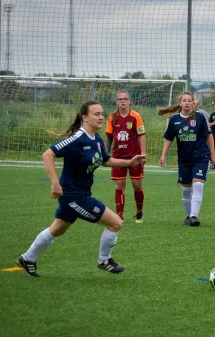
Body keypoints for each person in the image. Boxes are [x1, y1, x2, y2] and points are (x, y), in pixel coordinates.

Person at [16, 101, 147, 277]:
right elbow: (48, 154)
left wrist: (129, 162)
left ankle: (27, 258)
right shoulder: (77, 139)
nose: (101, 117)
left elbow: (106, 160)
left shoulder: (97, 140)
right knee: (115, 222)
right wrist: (55, 182)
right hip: (73, 196)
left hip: (81, 193)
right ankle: (104, 260)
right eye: (96, 114)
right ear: (85, 118)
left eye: (102, 113)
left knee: (58, 228)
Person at [158, 92, 215, 226]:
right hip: (184, 160)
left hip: (201, 157)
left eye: (189, 100)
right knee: (186, 190)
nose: (186, 103)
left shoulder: (201, 117)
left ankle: (194, 216)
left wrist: (213, 155)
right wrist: (163, 155)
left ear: (193, 103)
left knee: (197, 184)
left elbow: (209, 136)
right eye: (184, 100)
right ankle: (188, 216)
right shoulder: (174, 120)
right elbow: (168, 138)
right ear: (180, 103)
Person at [105, 90, 147, 223]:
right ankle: (119, 214)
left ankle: (139, 212)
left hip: (134, 157)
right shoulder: (112, 117)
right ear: (116, 101)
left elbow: (142, 135)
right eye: (120, 99)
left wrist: (143, 154)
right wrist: (106, 155)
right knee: (120, 185)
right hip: (118, 158)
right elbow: (109, 137)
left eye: (125, 99)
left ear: (129, 101)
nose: (123, 101)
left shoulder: (136, 116)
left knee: (137, 186)